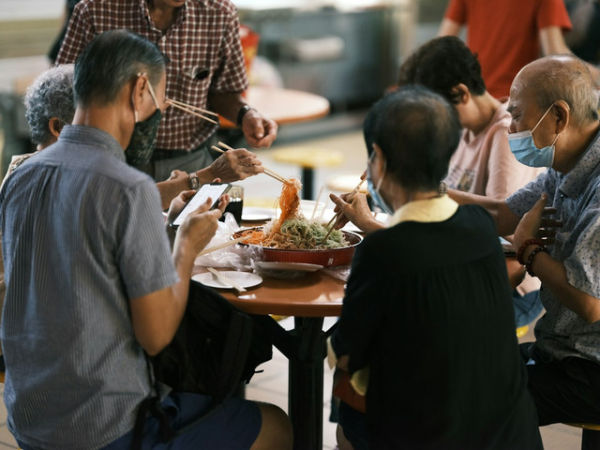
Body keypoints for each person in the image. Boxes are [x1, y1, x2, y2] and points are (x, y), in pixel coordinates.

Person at [0, 30, 291, 449]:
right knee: (276, 425)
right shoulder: (127, 187)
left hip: (29, 415)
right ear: (139, 90)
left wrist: (168, 225)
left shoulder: (22, 176)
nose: (158, 114)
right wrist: (186, 245)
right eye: (160, 101)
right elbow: (156, 335)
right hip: (103, 427)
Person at [329, 85, 542, 449]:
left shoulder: (382, 250)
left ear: (377, 159)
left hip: (428, 436)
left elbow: (348, 352)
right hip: (509, 433)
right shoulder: (477, 224)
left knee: (347, 404)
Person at [448, 55, 600, 446]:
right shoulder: (569, 161)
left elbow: (589, 302)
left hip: (589, 368)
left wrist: (529, 252)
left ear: (559, 117)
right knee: (455, 369)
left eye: (516, 115)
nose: (510, 127)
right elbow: (506, 213)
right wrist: (426, 193)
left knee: (471, 400)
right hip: (563, 349)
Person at [56, 0, 276, 185]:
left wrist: (245, 114)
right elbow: (63, 90)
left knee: (198, 233)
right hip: (113, 161)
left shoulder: (218, 12)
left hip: (191, 160)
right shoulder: (96, 10)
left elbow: (226, 91)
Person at [437, 0, 600, 99]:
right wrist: (596, 75)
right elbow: (555, 54)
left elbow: (442, 44)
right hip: (515, 105)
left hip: (475, 100)